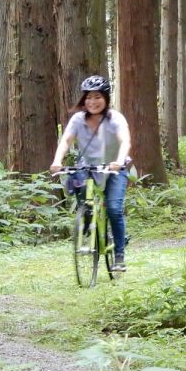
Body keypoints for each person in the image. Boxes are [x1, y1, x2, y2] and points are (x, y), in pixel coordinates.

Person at [50, 75, 132, 271]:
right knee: (80, 194)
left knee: (113, 208)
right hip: (88, 168)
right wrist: (57, 161)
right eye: (88, 97)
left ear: (105, 98)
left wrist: (119, 161)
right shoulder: (78, 119)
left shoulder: (116, 118)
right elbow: (66, 141)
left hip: (114, 169)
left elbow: (125, 141)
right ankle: (87, 221)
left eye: (97, 97)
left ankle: (119, 255)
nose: (92, 102)